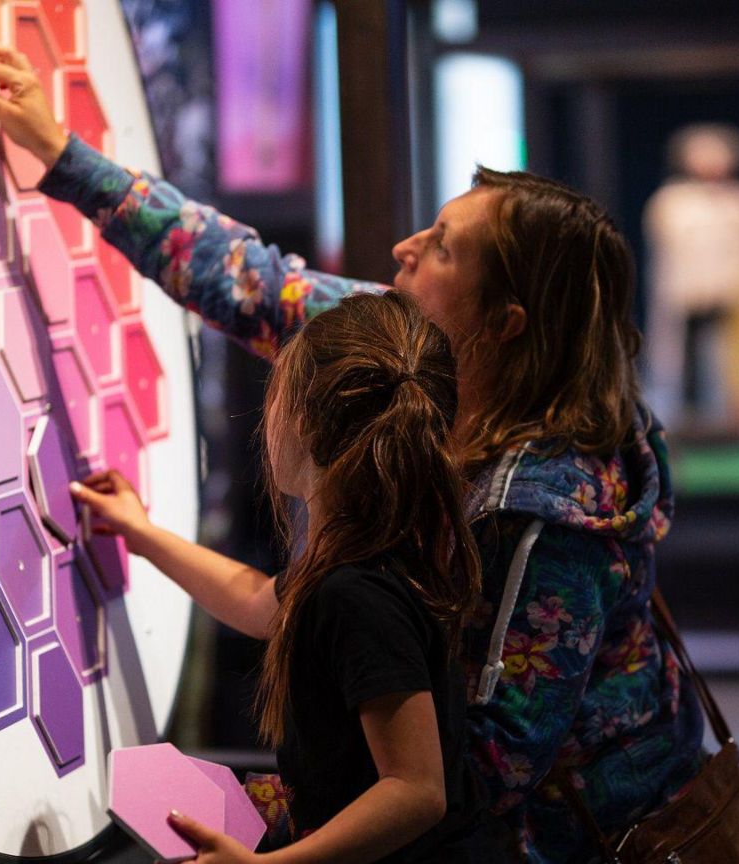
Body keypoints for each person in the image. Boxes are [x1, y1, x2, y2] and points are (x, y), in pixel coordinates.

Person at [0, 40, 703, 861]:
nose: (403, 250)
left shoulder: (548, 513)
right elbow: (244, 279)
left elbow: (479, 772)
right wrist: (62, 156)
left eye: (444, 247)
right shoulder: (411, 346)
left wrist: (279, 815)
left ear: (504, 324)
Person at [75, 292, 495, 860]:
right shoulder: (373, 555)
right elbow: (256, 600)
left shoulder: (357, 591)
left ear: (299, 419)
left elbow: (417, 791)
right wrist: (142, 534)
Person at [642, 124, 739, 438]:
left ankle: (732, 419)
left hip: (735, 298)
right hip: (685, 298)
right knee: (680, 365)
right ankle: (680, 420)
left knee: (728, 365)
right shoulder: (670, 202)